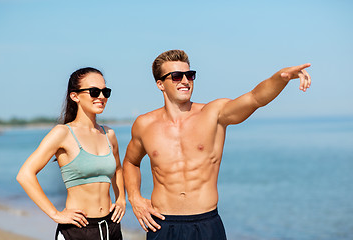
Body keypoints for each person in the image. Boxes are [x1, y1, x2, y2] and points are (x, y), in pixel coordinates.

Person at [123, 49, 311, 240]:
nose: (185, 81)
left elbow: (255, 98)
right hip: (162, 225)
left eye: (190, 75)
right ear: (160, 84)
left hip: (206, 224)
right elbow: (131, 162)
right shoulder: (144, 124)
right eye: (177, 76)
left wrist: (282, 77)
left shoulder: (214, 113)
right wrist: (135, 198)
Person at [16, 67, 125, 240]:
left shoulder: (109, 134)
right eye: (95, 91)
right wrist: (55, 214)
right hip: (77, 230)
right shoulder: (63, 133)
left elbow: (118, 169)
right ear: (75, 96)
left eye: (106, 91)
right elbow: (25, 175)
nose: (102, 97)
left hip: (110, 226)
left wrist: (121, 200)